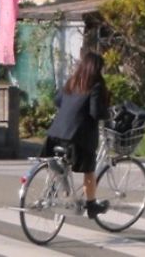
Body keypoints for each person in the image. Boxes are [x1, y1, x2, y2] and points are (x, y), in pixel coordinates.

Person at [41, 51, 110, 217]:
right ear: (96, 69)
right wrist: (106, 114)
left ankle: (63, 191)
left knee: (59, 163)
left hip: (55, 134)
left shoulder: (72, 82)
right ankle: (91, 205)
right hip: (76, 138)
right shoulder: (95, 86)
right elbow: (95, 112)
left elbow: (57, 101)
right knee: (89, 169)